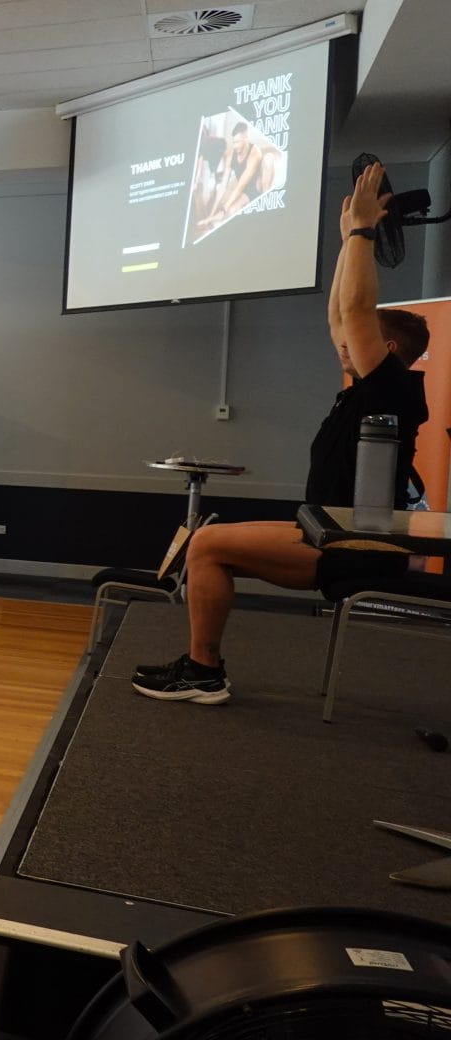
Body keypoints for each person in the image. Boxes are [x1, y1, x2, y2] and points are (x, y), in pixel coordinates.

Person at [133, 161, 431, 704]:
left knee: (206, 544)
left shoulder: (392, 390)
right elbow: (341, 315)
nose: (343, 341)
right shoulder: (365, 390)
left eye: (362, 340)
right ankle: (203, 669)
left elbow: (357, 309)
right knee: (209, 544)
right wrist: (346, 241)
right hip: (329, 531)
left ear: (387, 352)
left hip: (355, 548)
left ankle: (203, 672)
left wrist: (364, 233)